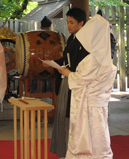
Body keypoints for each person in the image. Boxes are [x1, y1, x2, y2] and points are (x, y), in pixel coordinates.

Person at [58, 15, 117, 159]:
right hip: (99, 104)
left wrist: (67, 73)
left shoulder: (94, 59)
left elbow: (80, 79)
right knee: (99, 138)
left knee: (87, 140)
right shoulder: (105, 56)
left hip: (88, 105)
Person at [49, 8, 88, 158]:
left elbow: (83, 66)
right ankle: (65, 150)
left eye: (72, 22)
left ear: (81, 23)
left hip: (76, 82)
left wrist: (68, 71)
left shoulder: (85, 41)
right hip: (68, 80)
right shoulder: (72, 38)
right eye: (67, 22)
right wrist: (53, 63)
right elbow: (67, 60)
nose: (68, 25)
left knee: (71, 117)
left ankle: (73, 150)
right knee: (62, 115)